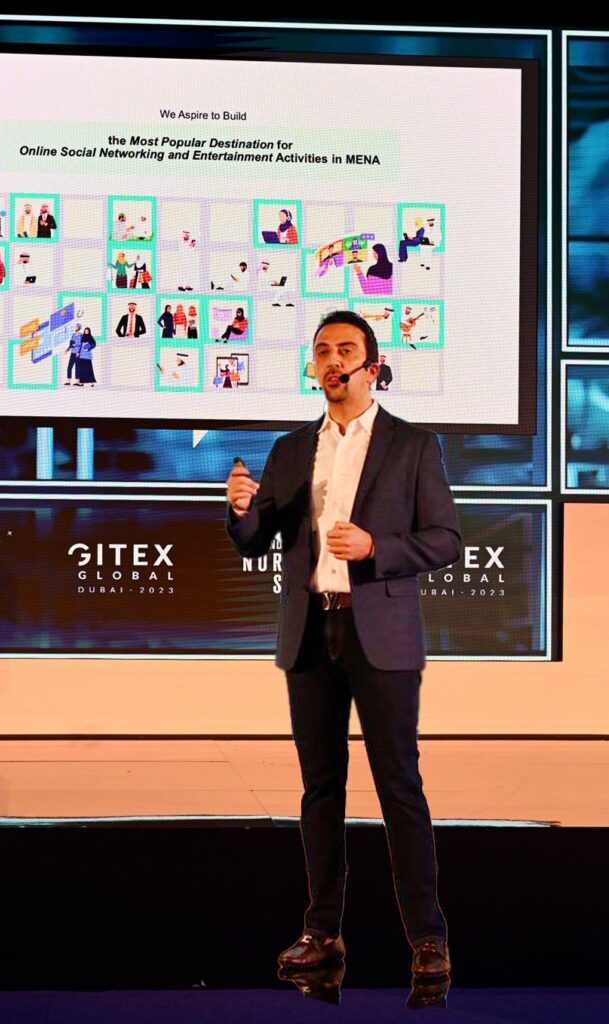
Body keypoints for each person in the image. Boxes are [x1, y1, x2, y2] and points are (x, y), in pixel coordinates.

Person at [225, 309, 460, 982]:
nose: (331, 361)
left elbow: (445, 540)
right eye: (322, 351)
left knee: (399, 786)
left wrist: (375, 547)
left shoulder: (413, 445)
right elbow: (257, 539)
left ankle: (427, 939)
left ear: (372, 365)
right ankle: (321, 932)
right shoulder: (290, 449)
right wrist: (240, 510)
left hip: (379, 633)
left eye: (345, 351)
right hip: (309, 633)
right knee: (320, 789)